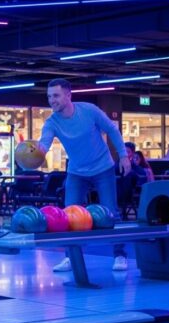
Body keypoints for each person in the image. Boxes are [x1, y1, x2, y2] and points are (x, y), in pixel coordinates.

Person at [36, 79, 131, 272]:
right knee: (69, 216)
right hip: (77, 172)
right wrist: (37, 151)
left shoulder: (89, 110)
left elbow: (112, 129)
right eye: (49, 96)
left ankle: (120, 255)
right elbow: (44, 143)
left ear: (68, 95)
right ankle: (71, 258)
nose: (52, 100)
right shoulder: (52, 122)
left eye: (56, 95)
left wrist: (123, 156)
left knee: (110, 213)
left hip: (103, 168)